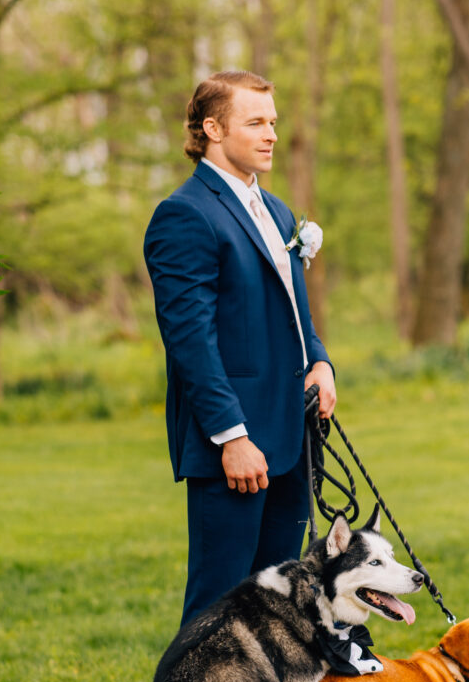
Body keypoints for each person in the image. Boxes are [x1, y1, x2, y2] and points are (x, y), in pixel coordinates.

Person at [144, 70, 336, 626]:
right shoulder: (185, 216)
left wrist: (320, 360)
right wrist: (231, 437)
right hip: (234, 447)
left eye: (273, 122)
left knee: (277, 605)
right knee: (218, 607)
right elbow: (189, 342)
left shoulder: (276, 213)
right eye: (256, 122)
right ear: (213, 128)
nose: (271, 134)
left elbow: (296, 315)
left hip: (289, 438)